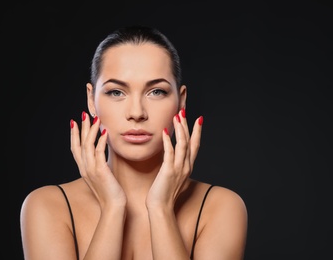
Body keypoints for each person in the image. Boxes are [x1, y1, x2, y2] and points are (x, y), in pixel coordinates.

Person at [20, 25, 248, 260]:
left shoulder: (221, 207)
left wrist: (161, 209)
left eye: (156, 91)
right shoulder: (47, 206)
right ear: (91, 99)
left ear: (181, 101)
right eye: (116, 92)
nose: (137, 112)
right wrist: (112, 208)